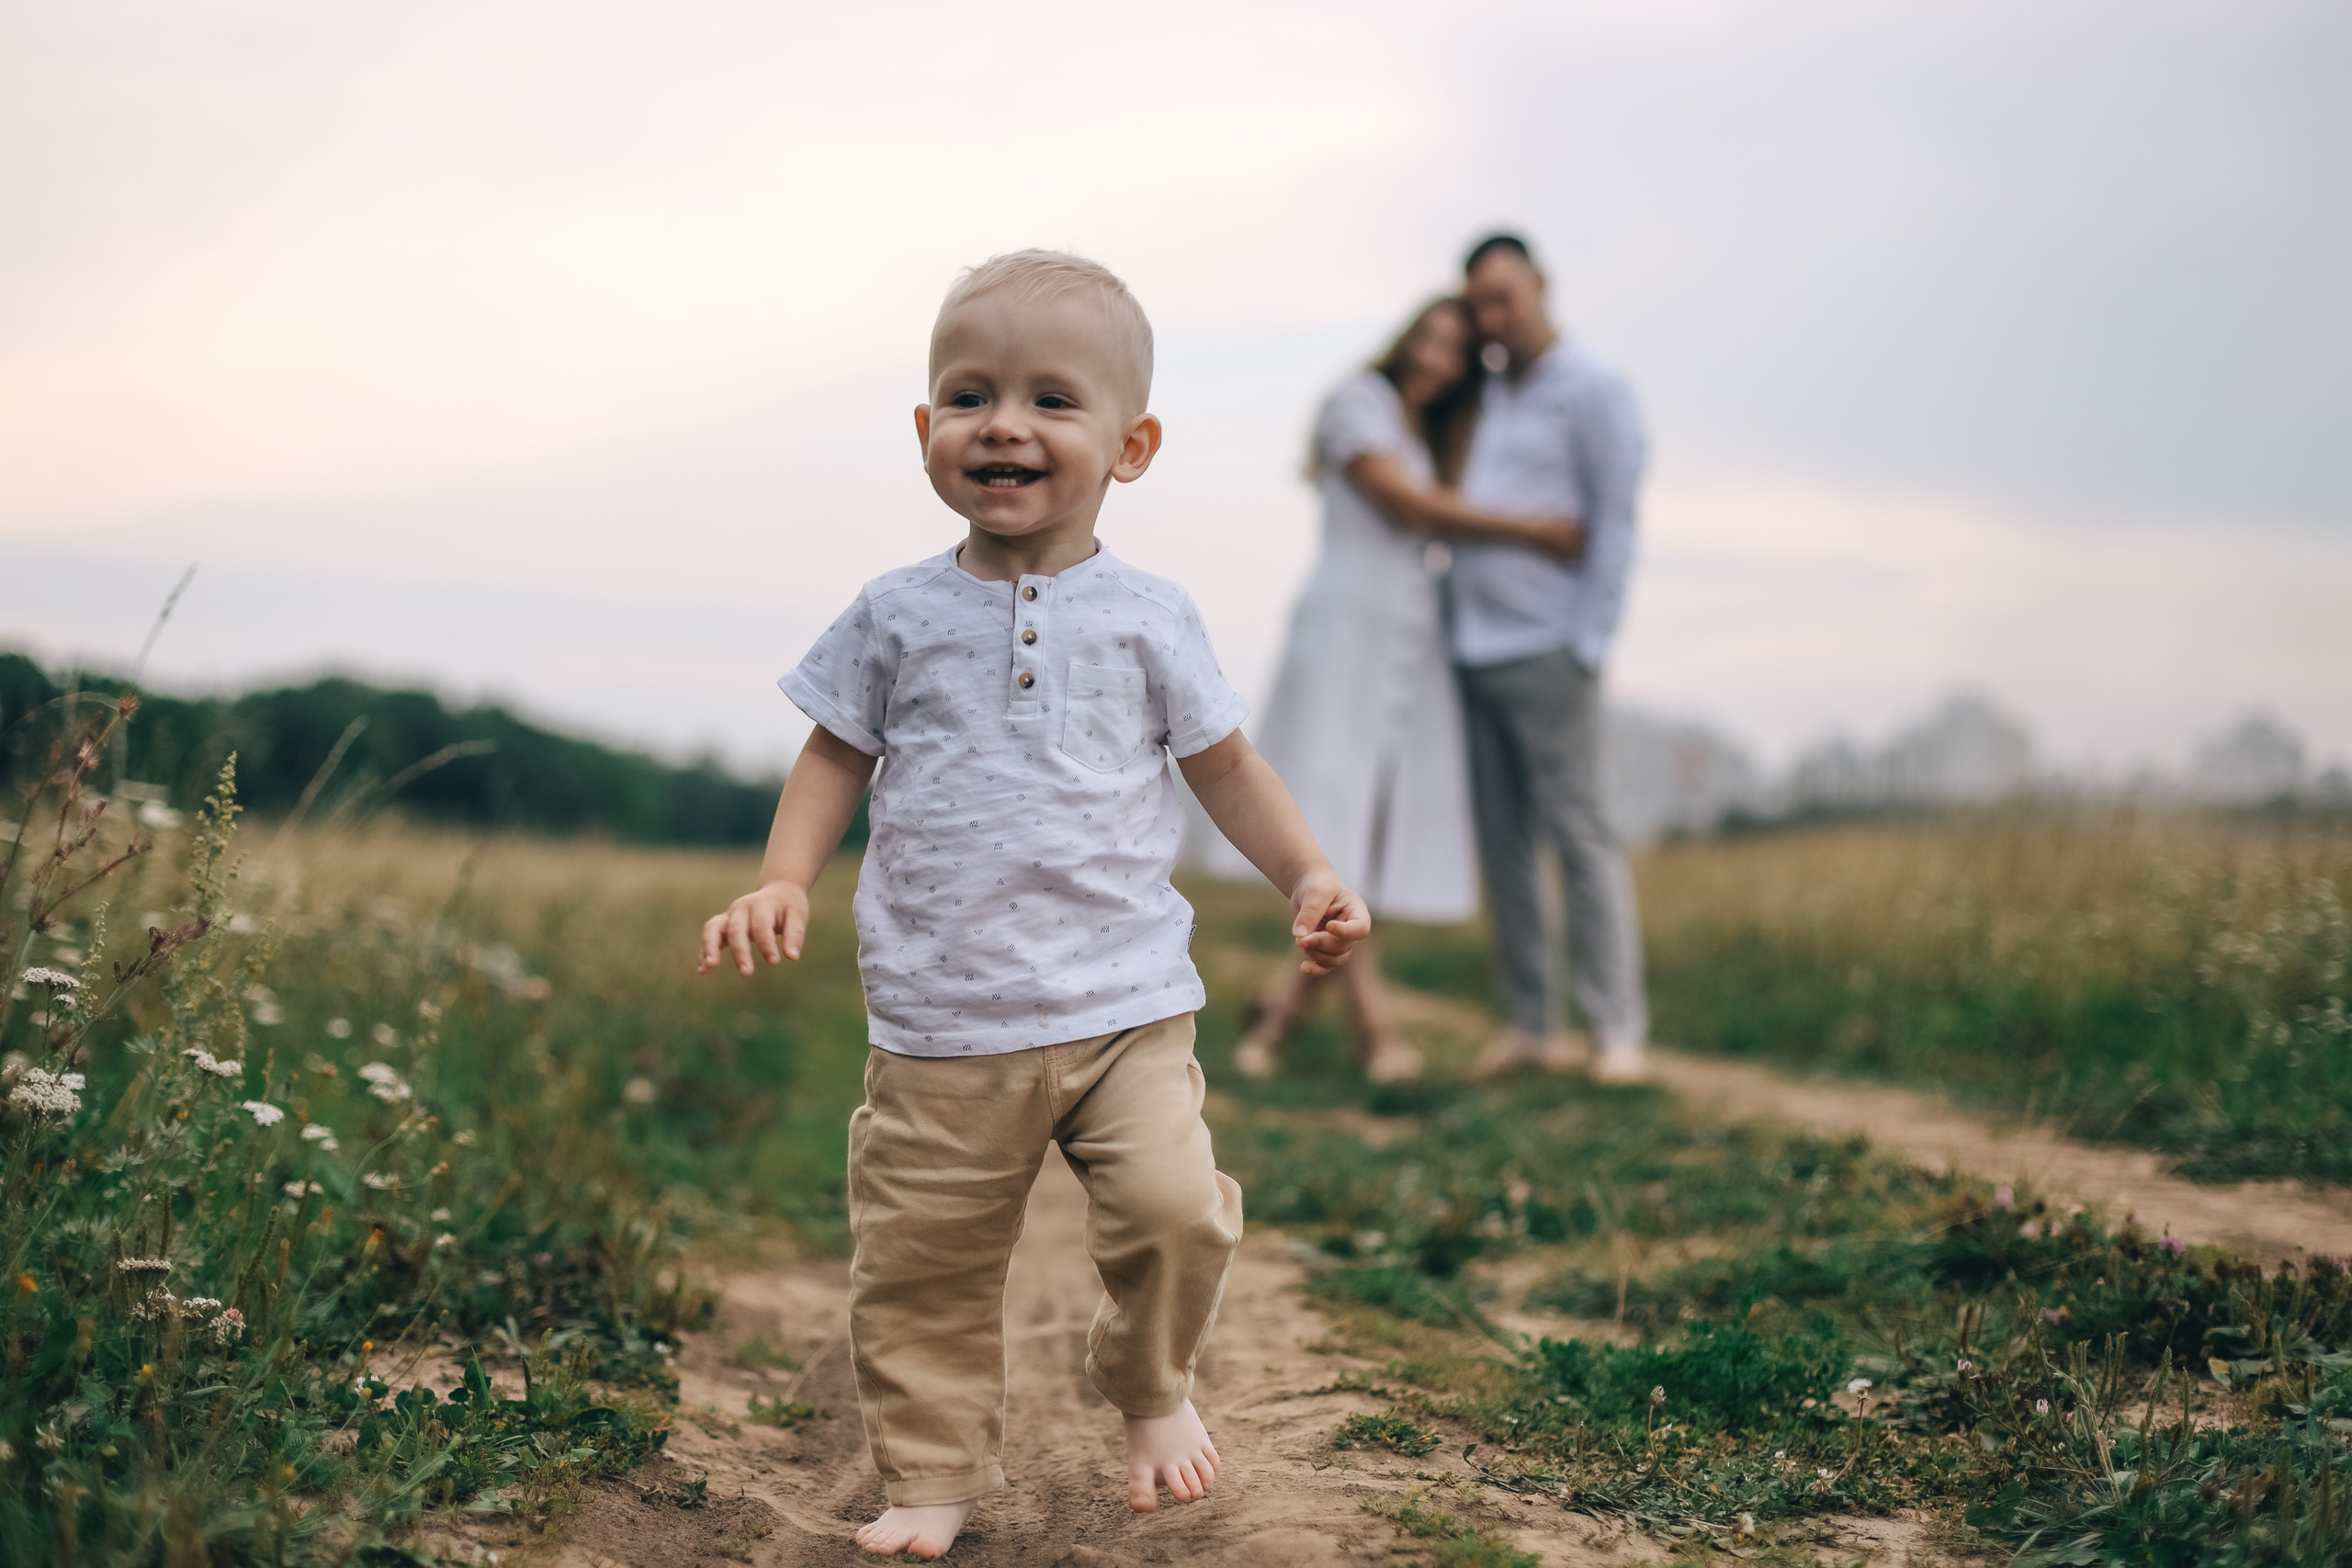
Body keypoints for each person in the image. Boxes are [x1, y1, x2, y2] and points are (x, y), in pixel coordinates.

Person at [696, 250, 1371, 1561]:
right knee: (925, 1270)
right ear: (925, 433)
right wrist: (785, 875)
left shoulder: (1153, 617)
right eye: (969, 394)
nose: (1004, 422)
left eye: (1052, 399)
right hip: (943, 1018)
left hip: (1124, 1001)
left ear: (1133, 445)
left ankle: (1150, 1381)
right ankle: (935, 1472)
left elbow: (1225, 765)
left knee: (1180, 1212)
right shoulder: (893, 613)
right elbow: (835, 753)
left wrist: (1309, 873)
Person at [1227, 297, 1583, 1082]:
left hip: (1405, 648)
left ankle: (1282, 1012)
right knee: (1336, 830)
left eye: (1457, 352)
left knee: (1372, 835)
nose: (1437, 360)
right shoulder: (1359, 403)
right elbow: (1403, 502)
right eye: (1430, 339)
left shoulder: (1428, 434)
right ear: (1406, 338)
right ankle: (1376, 1031)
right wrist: (1538, 530)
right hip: (1346, 637)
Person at [1449, 232, 1652, 1083]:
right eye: (1482, 306)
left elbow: (1615, 522)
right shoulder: (1489, 395)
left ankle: (1616, 1032)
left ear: (1540, 285)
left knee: (1579, 835)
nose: (1496, 317)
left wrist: (1588, 642)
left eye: (1507, 296)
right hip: (1473, 646)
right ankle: (1532, 1025)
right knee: (1503, 845)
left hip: (1549, 648)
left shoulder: (1594, 388)